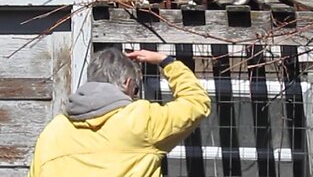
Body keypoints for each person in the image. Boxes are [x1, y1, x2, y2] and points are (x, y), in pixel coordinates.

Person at [27, 47, 211, 177]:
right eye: (136, 90)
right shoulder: (140, 119)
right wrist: (167, 62)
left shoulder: (54, 130)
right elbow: (196, 102)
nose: (135, 96)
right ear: (127, 84)